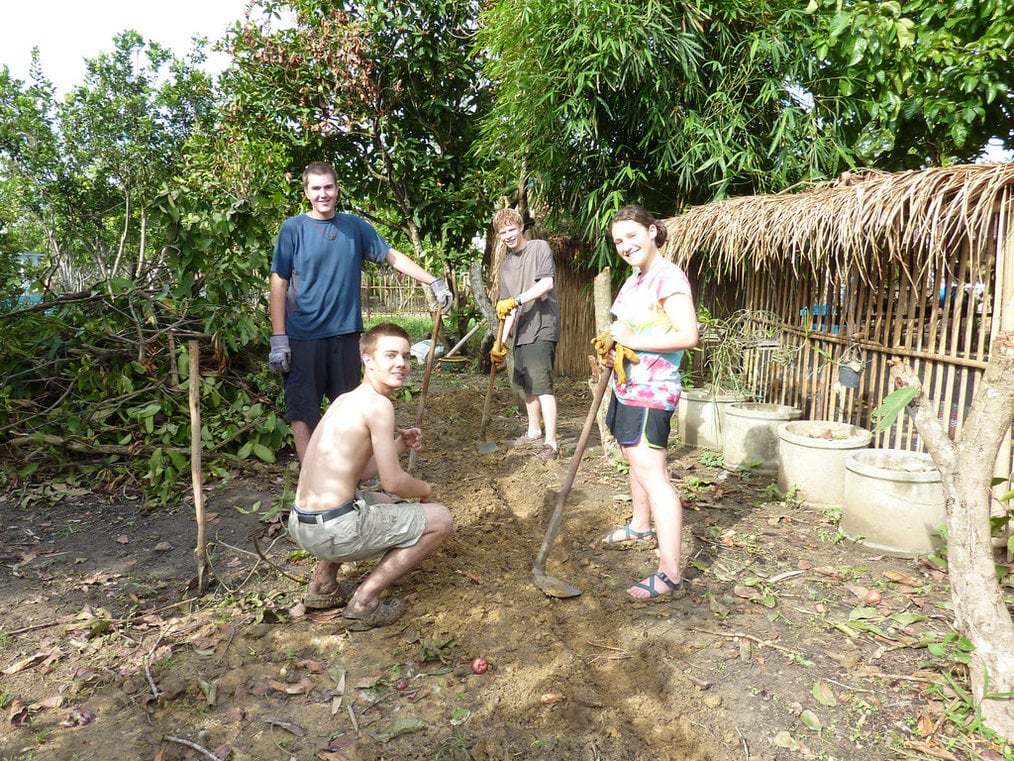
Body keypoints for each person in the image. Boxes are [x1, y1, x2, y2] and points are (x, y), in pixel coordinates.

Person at [269, 161, 453, 462]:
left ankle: (350, 477)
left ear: (337, 189)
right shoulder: (293, 229)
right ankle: (310, 482)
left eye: (328, 187)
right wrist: (279, 338)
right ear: (306, 192)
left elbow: (392, 256)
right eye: (316, 188)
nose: (323, 194)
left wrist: (432, 280)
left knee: (352, 408)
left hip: (346, 335)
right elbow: (279, 283)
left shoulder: (354, 227)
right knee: (303, 410)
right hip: (304, 336)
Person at [287, 322, 454, 630]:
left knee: (383, 502)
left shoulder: (345, 400)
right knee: (441, 518)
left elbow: (361, 471)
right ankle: (365, 602)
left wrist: (400, 444)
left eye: (405, 356)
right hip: (333, 530)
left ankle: (323, 585)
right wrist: (425, 488)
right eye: (390, 355)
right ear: (367, 359)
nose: (401, 364)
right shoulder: (379, 405)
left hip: (302, 523)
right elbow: (394, 482)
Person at [596, 205, 699, 600]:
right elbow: (624, 330)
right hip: (628, 386)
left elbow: (688, 335)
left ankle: (670, 573)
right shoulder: (635, 280)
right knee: (633, 459)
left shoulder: (667, 277)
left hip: (652, 391)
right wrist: (614, 347)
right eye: (618, 241)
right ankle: (640, 524)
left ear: (653, 231)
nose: (625, 245)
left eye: (632, 236)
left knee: (655, 477)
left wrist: (633, 342)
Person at [490, 208, 561, 461]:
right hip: (521, 331)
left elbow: (546, 284)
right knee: (527, 386)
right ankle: (533, 432)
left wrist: (516, 301)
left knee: (542, 386)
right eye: (502, 232)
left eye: (511, 229)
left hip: (542, 326)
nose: (508, 235)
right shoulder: (507, 264)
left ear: (521, 228)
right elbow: (507, 309)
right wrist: (500, 343)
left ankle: (552, 443)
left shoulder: (539, 248)